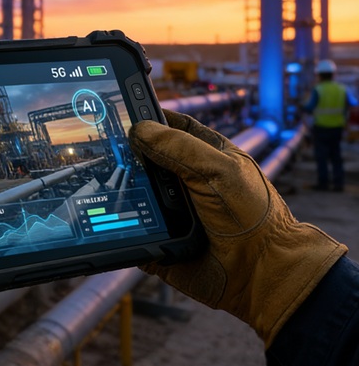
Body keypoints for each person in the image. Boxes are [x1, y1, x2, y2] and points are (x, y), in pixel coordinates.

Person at [129, 110, 359, 365]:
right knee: (331, 158)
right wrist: (269, 264)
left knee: (325, 157)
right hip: (333, 130)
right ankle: (331, 182)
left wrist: (262, 267)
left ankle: (327, 181)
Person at [302, 59, 358, 191]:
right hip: (337, 128)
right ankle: (339, 184)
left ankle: (323, 184)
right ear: (333, 74)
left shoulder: (318, 89)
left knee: (322, 157)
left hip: (321, 128)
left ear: (319, 75)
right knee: (336, 157)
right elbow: (354, 104)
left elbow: (309, 108)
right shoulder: (342, 89)